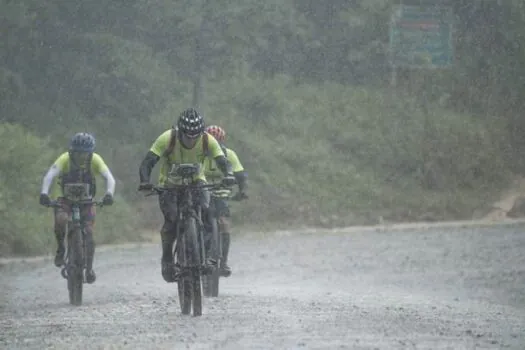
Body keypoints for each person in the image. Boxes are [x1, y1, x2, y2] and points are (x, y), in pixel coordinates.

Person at [138, 108, 236, 283]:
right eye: (187, 136)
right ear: (180, 132)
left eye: (195, 136)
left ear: (201, 132)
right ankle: (167, 259)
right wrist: (145, 181)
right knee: (172, 220)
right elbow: (148, 162)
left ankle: (210, 258)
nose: (191, 139)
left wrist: (228, 174)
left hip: (197, 182)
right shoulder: (167, 138)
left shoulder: (207, 140)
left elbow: (223, 161)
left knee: (208, 215)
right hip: (169, 184)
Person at [39, 132, 115, 284]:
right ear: (72, 151)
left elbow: (109, 178)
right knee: (60, 220)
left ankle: (89, 268)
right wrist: (44, 193)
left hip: (87, 200)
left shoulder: (95, 160)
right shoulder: (65, 159)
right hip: (64, 199)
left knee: (89, 234)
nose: (81, 156)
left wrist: (109, 194)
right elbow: (50, 175)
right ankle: (61, 247)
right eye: (78, 153)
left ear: (91, 152)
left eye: (85, 153)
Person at [203, 125, 248, 277]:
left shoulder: (229, 154)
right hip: (201, 193)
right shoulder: (198, 154)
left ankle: (223, 262)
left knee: (224, 223)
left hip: (221, 194)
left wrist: (242, 191)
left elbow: (240, 175)